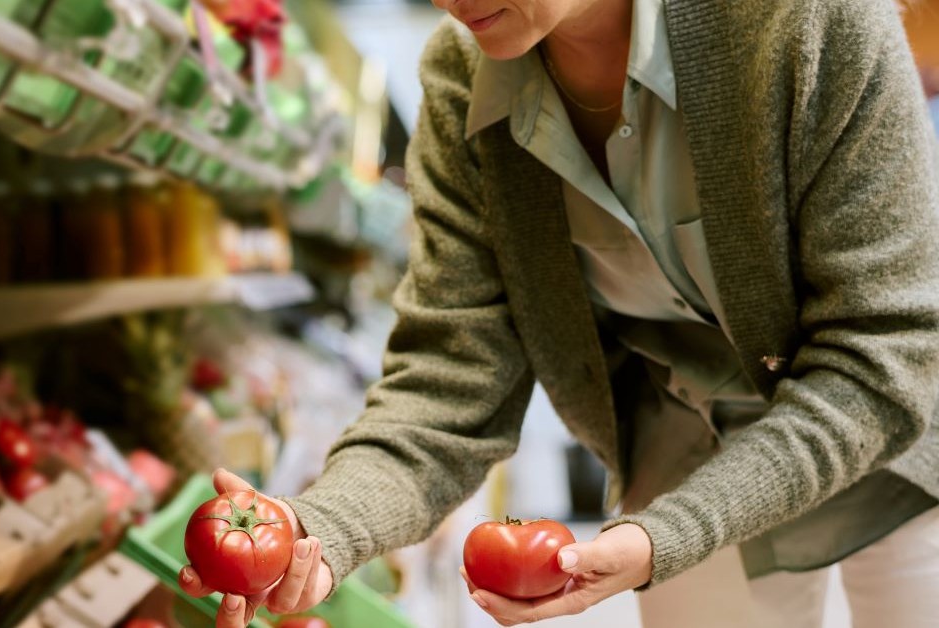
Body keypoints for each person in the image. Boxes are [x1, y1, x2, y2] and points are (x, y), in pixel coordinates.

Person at [180, 0, 939, 626]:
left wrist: (663, 536)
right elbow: (451, 381)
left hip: (896, 446)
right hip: (683, 457)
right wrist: (321, 528)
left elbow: (883, 353)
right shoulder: (460, 77)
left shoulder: (806, 22)